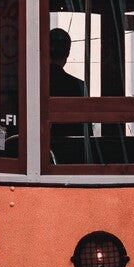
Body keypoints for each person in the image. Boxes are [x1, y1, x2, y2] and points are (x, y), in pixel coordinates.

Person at [48, 26, 87, 164]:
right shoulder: (79, 86)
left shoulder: (31, 84)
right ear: (68, 53)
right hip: (71, 158)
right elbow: (85, 132)